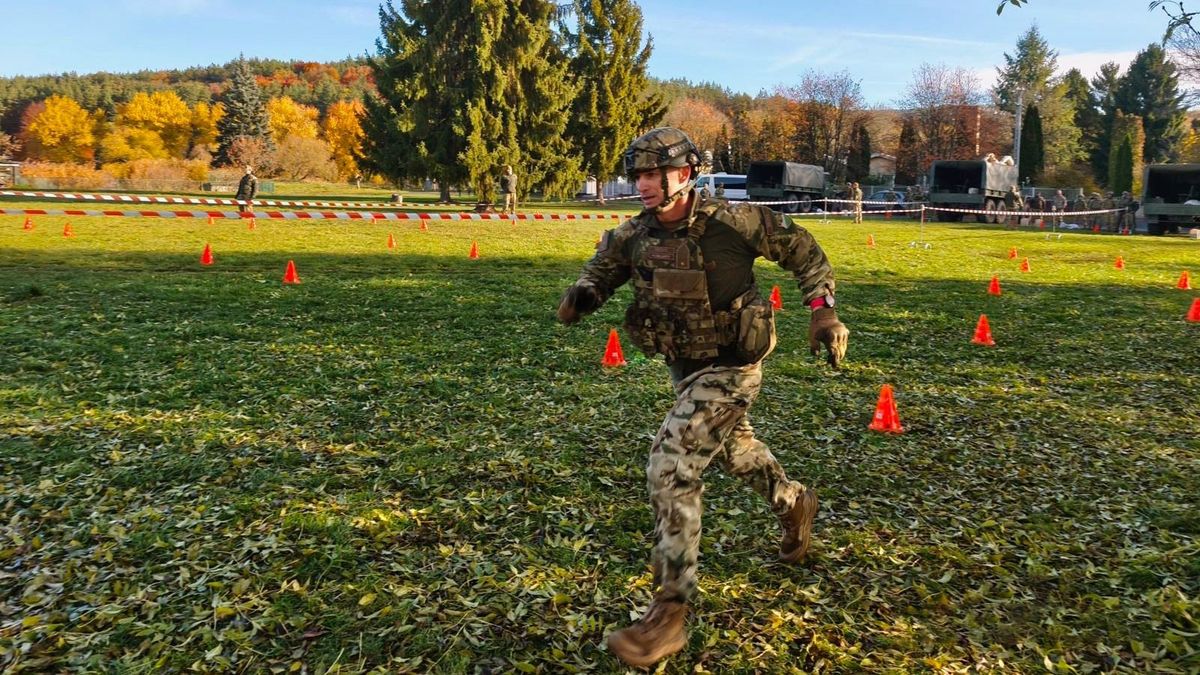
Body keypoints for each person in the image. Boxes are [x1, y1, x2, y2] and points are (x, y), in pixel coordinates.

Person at [556, 127, 848, 668]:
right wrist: (586, 294)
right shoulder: (633, 234)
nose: (642, 184)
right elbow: (604, 269)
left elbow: (805, 252)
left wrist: (823, 310)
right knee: (736, 452)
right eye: (637, 174)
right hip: (685, 366)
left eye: (653, 173)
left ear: (685, 173)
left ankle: (668, 613)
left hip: (736, 364)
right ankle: (792, 501)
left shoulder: (734, 223)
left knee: (671, 467)